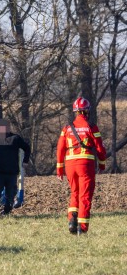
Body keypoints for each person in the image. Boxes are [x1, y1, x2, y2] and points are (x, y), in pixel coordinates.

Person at [56, 97, 107, 234]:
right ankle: (82, 228)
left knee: (75, 192)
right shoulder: (91, 127)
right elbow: (100, 149)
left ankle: (72, 219)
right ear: (86, 111)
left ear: (76, 112)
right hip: (85, 165)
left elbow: (60, 148)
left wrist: (59, 169)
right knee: (85, 195)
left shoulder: (67, 128)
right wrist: (102, 164)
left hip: (70, 165)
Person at [0, 119, 31, 216]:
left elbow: (27, 148)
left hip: (12, 172)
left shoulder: (15, 138)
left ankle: (7, 212)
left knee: (11, 194)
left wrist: (25, 161)